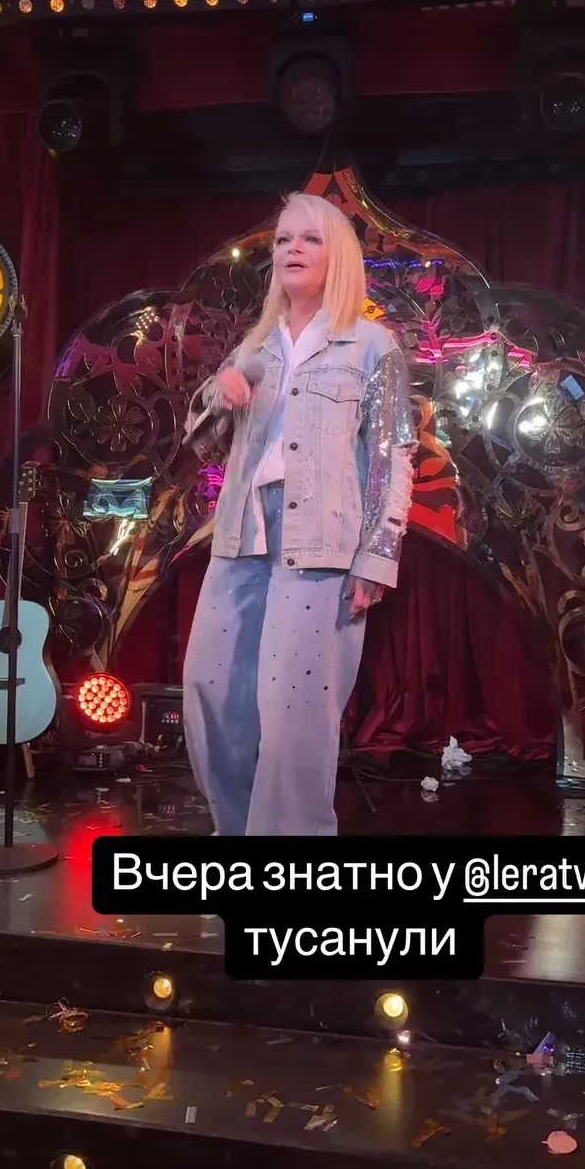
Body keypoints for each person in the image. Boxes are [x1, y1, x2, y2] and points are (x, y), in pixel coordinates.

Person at [182, 192, 416, 836]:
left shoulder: (372, 346)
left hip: (322, 543)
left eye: (309, 239)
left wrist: (378, 557)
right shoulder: (255, 347)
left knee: (294, 716)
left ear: (336, 255)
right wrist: (220, 394)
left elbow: (393, 456)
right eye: (284, 239)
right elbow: (204, 443)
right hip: (243, 534)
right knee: (211, 693)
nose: (292, 249)